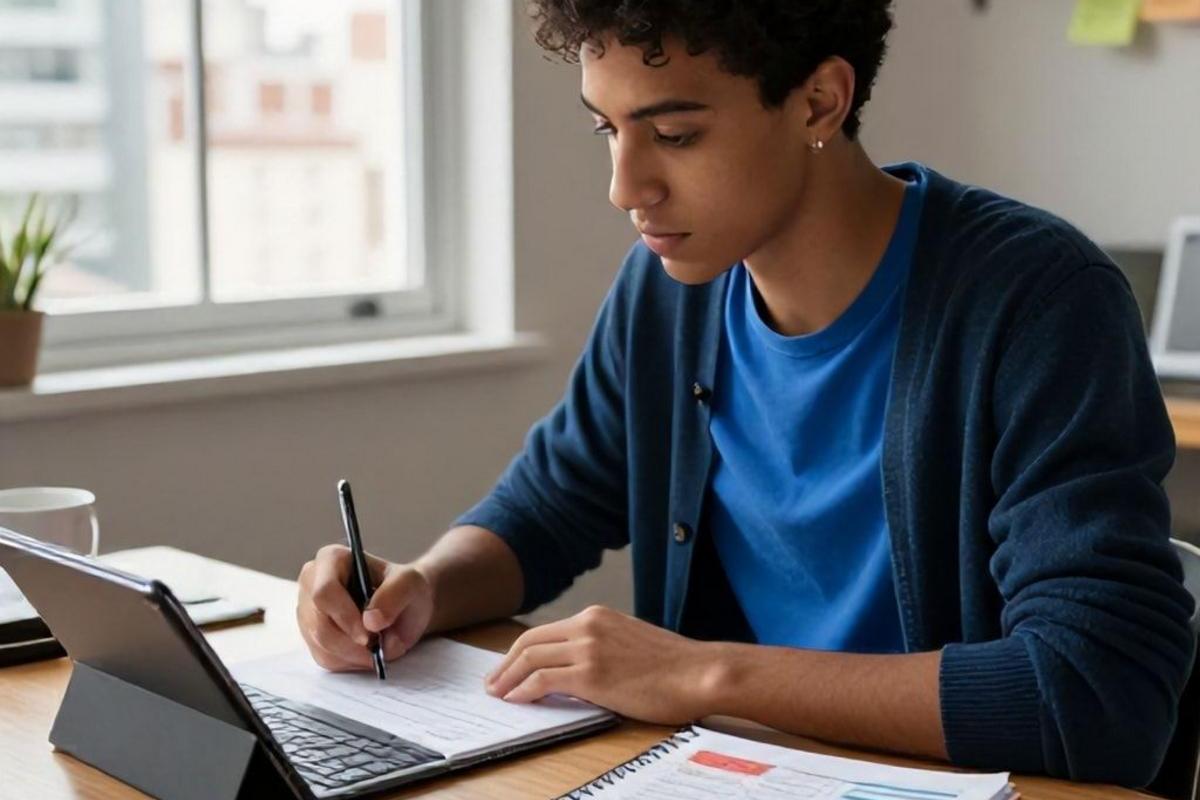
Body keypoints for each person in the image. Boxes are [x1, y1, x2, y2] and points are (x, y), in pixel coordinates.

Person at [295, 0, 1195, 786]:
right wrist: (418, 588)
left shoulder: (1037, 299)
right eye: (608, 130)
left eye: (676, 135)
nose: (625, 188)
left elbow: (1093, 693)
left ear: (818, 100)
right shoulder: (668, 292)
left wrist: (702, 675)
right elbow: (553, 502)